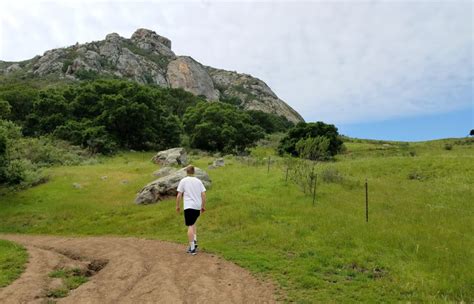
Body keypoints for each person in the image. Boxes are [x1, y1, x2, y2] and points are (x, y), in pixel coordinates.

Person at [176, 165, 206, 255]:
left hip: (189, 206)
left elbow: (179, 195)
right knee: (193, 223)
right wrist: (203, 206)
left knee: (190, 225)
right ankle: (195, 241)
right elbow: (203, 194)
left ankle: (192, 248)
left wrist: (177, 205)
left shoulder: (183, 181)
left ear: (186, 171)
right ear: (194, 172)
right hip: (197, 206)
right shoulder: (198, 181)